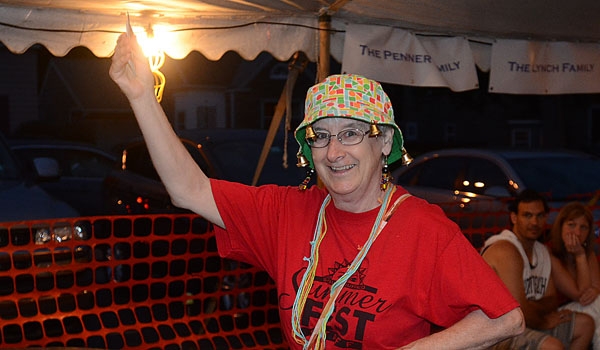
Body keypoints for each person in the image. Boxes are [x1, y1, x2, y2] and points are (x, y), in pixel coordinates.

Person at [109, 32, 524, 349]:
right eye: (320, 137)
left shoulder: (421, 227)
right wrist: (142, 96)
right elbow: (188, 189)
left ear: (383, 144)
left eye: (350, 133)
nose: (334, 151)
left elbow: (505, 319)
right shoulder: (288, 212)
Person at [481, 189, 594, 349]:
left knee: (585, 324)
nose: (534, 222)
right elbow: (517, 309)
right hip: (497, 330)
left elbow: (551, 299)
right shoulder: (505, 249)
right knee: (552, 346)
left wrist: (531, 308)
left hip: (528, 321)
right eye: (527, 215)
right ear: (514, 217)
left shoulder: (541, 250)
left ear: (546, 217)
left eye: (539, 216)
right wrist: (543, 321)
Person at [549, 201, 600, 349]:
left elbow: (596, 288)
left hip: (587, 308)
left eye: (583, 227)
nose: (577, 233)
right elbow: (581, 294)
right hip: (558, 313)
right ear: (561, 227)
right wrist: (580, 256)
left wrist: (596, 290)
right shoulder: (550, 254)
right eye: (571, 225)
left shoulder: (588, 253)